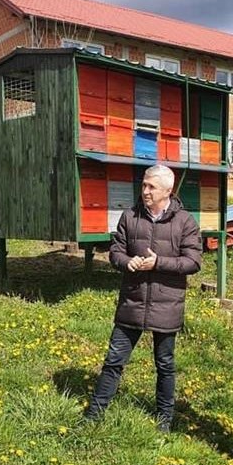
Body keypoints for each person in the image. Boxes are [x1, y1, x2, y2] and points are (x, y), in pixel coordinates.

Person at [85, 164, 202, 433]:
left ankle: (164, 421)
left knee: (165, 365)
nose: (145, 190)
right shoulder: (130, 217)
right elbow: (115, 252)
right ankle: (94, 416)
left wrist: (158, 262)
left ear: (168, 191)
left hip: (167, 304)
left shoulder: (185, 221)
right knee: (114, 360)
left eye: (152, 186)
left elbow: (193, 261)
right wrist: (128, 262)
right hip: (132, 301)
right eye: (144, 185)